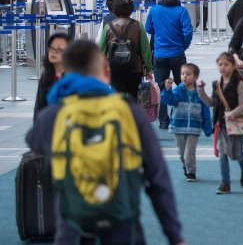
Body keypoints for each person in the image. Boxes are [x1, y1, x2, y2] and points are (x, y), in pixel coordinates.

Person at [26, 40, 185, 245]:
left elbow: (34, 141)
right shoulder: (129, 113)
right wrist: (174, 236)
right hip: (124, 226)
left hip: (72, 229)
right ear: (105, 70)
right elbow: (158, 178)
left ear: (66, 71)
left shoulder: (52, 117)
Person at [199, 52, 243, 194]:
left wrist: (233, 113)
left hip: (236, 123)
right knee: (223, 153)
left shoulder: (239, 84)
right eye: (220, 65)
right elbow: (212, 103)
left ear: (233, 66)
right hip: (222, 124)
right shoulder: (216, 84)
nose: (223, 68)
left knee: (237, 153)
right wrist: (201, 91)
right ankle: (225, 183)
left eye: (226, 65)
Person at [145, 0, 194, 129]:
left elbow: (148, 28)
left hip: (159, 55)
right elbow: (188, 32)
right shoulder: (182, 11)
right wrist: (183, 46)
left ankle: (163, 121)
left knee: (161, 87)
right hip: (178, 54)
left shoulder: (154, 10)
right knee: (181, 85)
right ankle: (178, 116)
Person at [161, 63, 213, 182]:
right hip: (178, 127)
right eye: (183, 74)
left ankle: (191, 172)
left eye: (188, 74)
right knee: (181, 153)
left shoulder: (200, 94)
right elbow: (169, 101)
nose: (184, 76)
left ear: (195, 77)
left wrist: (208, 129)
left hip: (194, 128)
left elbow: (205, 112)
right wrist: (168, 90)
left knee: (189, 152)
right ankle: (186, 166)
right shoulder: (178, 91)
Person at [98, 0, 153, 99]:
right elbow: (145, 50)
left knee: (117, 98)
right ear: (130, 9)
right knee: (134, 97)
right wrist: (149, 68)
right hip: (135, 69)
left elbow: (101, 50)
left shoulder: (108, 26)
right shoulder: (138, 26)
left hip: (114, 68)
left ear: (115, 9)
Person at [34, 32, 73, 117]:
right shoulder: (46, 77)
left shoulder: (75, 78)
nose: (53, 52)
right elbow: (39, 109)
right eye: (51, 48)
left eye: (59, 49)